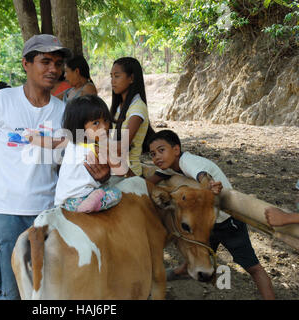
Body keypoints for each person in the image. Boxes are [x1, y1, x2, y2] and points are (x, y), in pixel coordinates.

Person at [0, 34, 110, 300]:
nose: (53, 69)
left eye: (57, 63)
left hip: (49, 215)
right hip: (3, 214)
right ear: (26, 64)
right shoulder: (0, 101)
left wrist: (101, 176)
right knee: (6, 294)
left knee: (47, 294)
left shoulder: (64, 112)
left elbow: (73, 161)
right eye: (45, 61)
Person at [146, 129, 276, 300]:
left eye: (161, 150)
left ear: (176, 150)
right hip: (206, 223)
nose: (156, 157)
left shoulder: (188, 161)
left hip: (228, 222)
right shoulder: (169, 168)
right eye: (153, 154)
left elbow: (202, 175)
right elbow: (146, 183)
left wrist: (208, 185)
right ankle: (176, 273)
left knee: (254, 268)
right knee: (198, 250)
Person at [27, 94, 127, 213]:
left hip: (63, 200)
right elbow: (122, 171)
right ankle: (94, 202)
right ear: (80, 125)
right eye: (96, 123)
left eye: (105, 120)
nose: (104, 127)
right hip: (83, 197)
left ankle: (90, 202)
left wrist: (33, 138)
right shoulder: (99, 148)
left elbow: (52, 143)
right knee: (116, 193)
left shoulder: (71, 142)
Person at [110, 57, 155, 177]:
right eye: (111, 76)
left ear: (131, 78)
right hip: (115, 170)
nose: (112, 81)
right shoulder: (119, 107)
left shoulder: (137, 108)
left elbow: (123, 146)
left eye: (117, 76)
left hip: (129, 174)